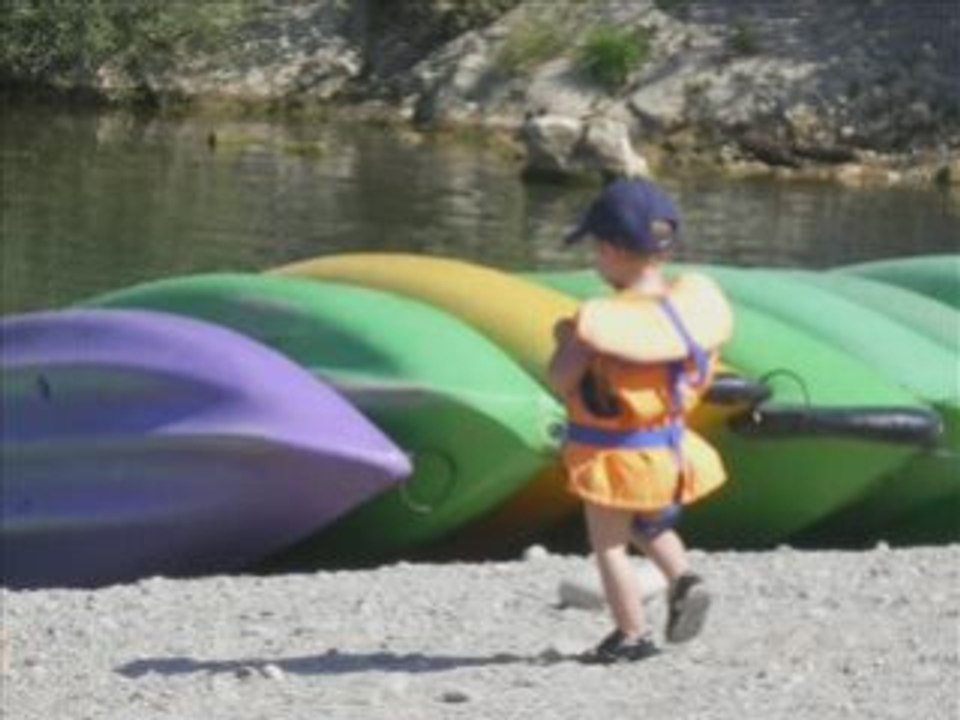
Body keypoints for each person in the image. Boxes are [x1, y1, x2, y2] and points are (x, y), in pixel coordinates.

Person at [548, 178, 733, 664]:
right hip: (671, 450)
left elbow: (562, 380)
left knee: (608, 546)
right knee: (647, 524)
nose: (594, 260)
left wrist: (569, 343)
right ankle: (684, 579)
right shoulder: (686, 311)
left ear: (611, 249)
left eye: (595, 249)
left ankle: (631, 634)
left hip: (615, 457)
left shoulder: (601, 324)